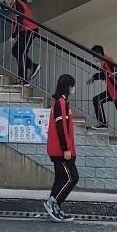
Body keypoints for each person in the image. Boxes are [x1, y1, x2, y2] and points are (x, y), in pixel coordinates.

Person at [44, 74, 79, 223]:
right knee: (72, 177)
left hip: (59, 148)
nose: (74, 89)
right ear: (69, 87)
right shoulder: (60, 102)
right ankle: (52, 203)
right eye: (73, 86)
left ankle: (55, 206)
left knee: (61, 178)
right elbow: (61, 127)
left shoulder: (61, 101)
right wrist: (66, 149)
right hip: (60, 150)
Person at [2, 0, 41, 84]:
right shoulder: (16, 4)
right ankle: (32, 66)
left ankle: (22, 79)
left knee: (21, 53)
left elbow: (19, 21)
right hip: (24, 30)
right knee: (16, 51)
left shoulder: (17, 4)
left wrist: (13, 35)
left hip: (30, 29)